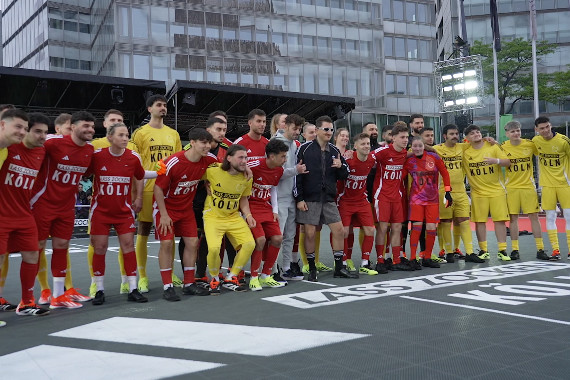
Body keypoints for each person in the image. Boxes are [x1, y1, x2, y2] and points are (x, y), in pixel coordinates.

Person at [30, 111, 95, 309]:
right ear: (72, 126)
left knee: (61, 247)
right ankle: (29, 297)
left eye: (92, 126)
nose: (90, 130)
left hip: (67, 207)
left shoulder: (89, 151)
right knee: (35, 249)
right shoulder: (52, 143)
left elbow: (90, 172)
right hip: (43, 203)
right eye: (85, 126)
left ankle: (58, 296)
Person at [89, 123, 149, 305]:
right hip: (100, 211)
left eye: (127, 135)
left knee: (128, 247)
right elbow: (80, 171)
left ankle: (133, 288)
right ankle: (99, 289)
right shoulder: (97, 156)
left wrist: (139, 196)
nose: (125, 139)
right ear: (109, 137)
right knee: (99, 248)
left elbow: (141, 175)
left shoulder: (133, 157)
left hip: (124, 212)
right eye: (121, 135)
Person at [154, 128, 217, 301]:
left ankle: (189, 284)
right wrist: (164, 215)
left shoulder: (209, 160)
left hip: (186, 209)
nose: (208, 146)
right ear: (193, 142)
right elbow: (158, 188)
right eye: (203, 143)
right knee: (166, 244)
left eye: (209, 143)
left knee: (193, 242)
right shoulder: (173, 162)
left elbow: (223, 167)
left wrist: (208, 181)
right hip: (166, 208)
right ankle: (167, 286)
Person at [0, 111, 51, 319]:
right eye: (37, 131)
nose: (42, 136)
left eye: (45, 133)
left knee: (33, 254)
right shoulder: (8, 148)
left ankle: (27, 301)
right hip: (2, 214)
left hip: (24, 214)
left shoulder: (41, 152)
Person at [130, 95, 182, 293]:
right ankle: (142, 276)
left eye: (165, 105)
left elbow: (178, 162)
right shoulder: (140, 133)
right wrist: (137, 192)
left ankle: (171, 272)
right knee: (143, 230)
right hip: (148, 188)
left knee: (170, 232)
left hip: (168, 191)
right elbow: (136, 165)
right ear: (149, 108)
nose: (163, 108)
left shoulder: (173, 134)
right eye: (159, 105)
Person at [295, 115, 355, 281]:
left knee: (339, 230)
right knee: (310, 234)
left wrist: (340, 166)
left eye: (331, 129)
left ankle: (339, 267)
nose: (329, 132)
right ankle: (312, 268)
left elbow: (345, 174)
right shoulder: (305, 149)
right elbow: (297, 175)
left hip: (328, 198)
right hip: (310, 198)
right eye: (326, 129)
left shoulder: (335, 151)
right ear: (317, 130)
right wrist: (299, 198)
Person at [247, 139, 301, 290]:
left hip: (266, 208)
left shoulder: (278, 170)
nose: (285, 160)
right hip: (250, 208)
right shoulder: (253, 165)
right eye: (283, 156)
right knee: (260, 240)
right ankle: (253, 277)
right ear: (271, 156)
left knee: (278, 238)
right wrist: (245, 213)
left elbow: (273, 189)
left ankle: (266, 275)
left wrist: (275, 211)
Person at [204, 145, 256, 294]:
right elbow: (197, 174)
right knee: (214, 248)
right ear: (229, 158)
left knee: (249, 244)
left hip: (233, 217)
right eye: (240, 157)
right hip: (213, 216)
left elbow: (244, 199)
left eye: (246, 158)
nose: (244, 161)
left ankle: (231, 277)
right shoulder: (214, 171)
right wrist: (205, 184)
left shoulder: (246, 177)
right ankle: (214, 278)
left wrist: (248, 215)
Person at [462, 124, 511, 262]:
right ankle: (484, 250)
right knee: (480, 222)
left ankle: (502, 250)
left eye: (478, 132)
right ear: (467, 138)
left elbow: (507, 162)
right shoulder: (465, 152)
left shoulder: (493, 146)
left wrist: (495, 161)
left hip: (497, 191)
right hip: (478, 193)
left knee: (500, 221)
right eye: (472, 133)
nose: (476, 134)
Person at [405, 136, 452, 269]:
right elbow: (400, 177)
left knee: (431, 228)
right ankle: (413, 258)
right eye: (415, 146)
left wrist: (448, 192)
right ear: (411, 147)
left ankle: (427, 257)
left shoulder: (434, 157)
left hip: (432, 200)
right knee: (417, 228)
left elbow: (445, 173)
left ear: (424, 146)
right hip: (416, 200)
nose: (417, 148)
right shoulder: (409, 161)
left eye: (420, 145)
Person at [501, 121, 544, 260]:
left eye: (518, 130)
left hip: (528, 187)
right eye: (512, 131)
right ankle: (515, 250)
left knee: (534, 218)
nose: (516, 133)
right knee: (513, 219)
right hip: (511, 188)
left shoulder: (529, 144)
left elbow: (543, 152)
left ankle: (540, 248)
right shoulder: (502, 147)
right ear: (507, 134)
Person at [272, 114, 307, 281]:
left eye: (300, 129)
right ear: (285, 126)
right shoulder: (275, 143)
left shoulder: (294, 144)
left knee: (290, 235)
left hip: (292, 197)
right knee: (277, 235)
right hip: (279, 198)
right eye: (295, 129)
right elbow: (276, 172)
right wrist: (296, 170)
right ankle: (271, 270)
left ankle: (286, 268)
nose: (297, 132)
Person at [372, 123, 411, 272]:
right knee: (382, 228)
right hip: (381, 196)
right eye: (402, 137)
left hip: (396, 196)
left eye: (407, 137)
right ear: (393, 138)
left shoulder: (404, 152)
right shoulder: (382, 152)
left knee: (397, 228)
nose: (405, 140)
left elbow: (420, 149)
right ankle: (380, 260)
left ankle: (396, 260)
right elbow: (366, 157)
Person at [433, 124, 475, 263]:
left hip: (461, 191)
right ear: (445, 136)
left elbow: (478, 142)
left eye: (456, 133)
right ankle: (449, 252)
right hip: (443, 191)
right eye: (451, 134)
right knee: (445, 221)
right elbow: (423, 148)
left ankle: (469, 252)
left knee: (464, 220)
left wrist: (488, 139)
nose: (455, 136)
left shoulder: (463, 147)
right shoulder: (437, 149)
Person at [337, 133, 378, 275]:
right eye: (363, 144)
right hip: (345, 201)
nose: (366, 146)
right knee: (344, 232)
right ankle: (343, 261)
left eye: (368, 144)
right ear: (355, 147)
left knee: (370, 230)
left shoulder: (372, 159)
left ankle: (365, 263)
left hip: (361, 200)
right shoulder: (348, 160)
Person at [532, 116, 570, 260]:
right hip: (547, 185)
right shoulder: (536, 141)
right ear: (537, 130)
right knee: (550, 216)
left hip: (565, 184)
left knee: (568, 217)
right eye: (542, 128)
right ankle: (555, 251)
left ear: (551, 126)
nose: (546, 130)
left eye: (547, 127)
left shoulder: (563, 141)